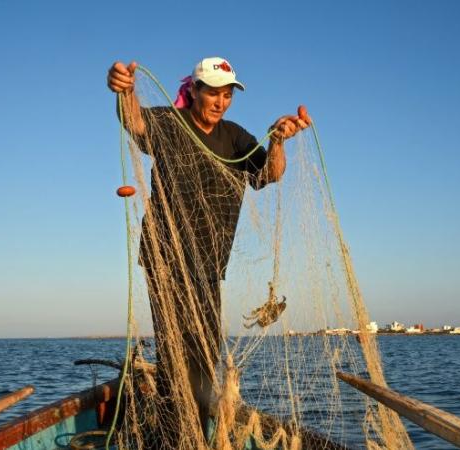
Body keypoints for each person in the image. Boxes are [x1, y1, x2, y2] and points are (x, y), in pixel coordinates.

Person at [107, 57, 309, 447]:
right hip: (165, 261)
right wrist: (124, 88)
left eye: (227, 94)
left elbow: (269, 174)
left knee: (203, 354)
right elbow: (133, 121)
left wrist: (278, 139)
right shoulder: (171, 122)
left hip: (209, 265)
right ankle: (175, 439)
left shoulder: (235, 138)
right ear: (195, 90)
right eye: (213, 92)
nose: (220, 101)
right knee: (174, 354)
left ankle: (193, 435)